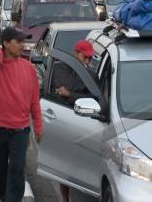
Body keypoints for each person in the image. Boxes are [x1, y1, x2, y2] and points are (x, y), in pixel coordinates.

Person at [0, 27, 43, 202]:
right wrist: (1, 50)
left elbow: (34, 101)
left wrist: (38, 125)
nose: (22, 45)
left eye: (23, 41)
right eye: (18, 42)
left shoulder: (28, 68)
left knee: (17, 170)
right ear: (6, 43)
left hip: (20, 130)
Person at [52, 40, 94, 202]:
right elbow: (65, 89)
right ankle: (65, 199)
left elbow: (90, 95)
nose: (87, 61)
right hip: (65, 120)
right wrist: (74, 92)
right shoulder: (60, 68)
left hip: (87, 120)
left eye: (90, 59)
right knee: (65, 165)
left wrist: (72, 93)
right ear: (76, 53)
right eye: (85, 57)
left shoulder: (88, 73)